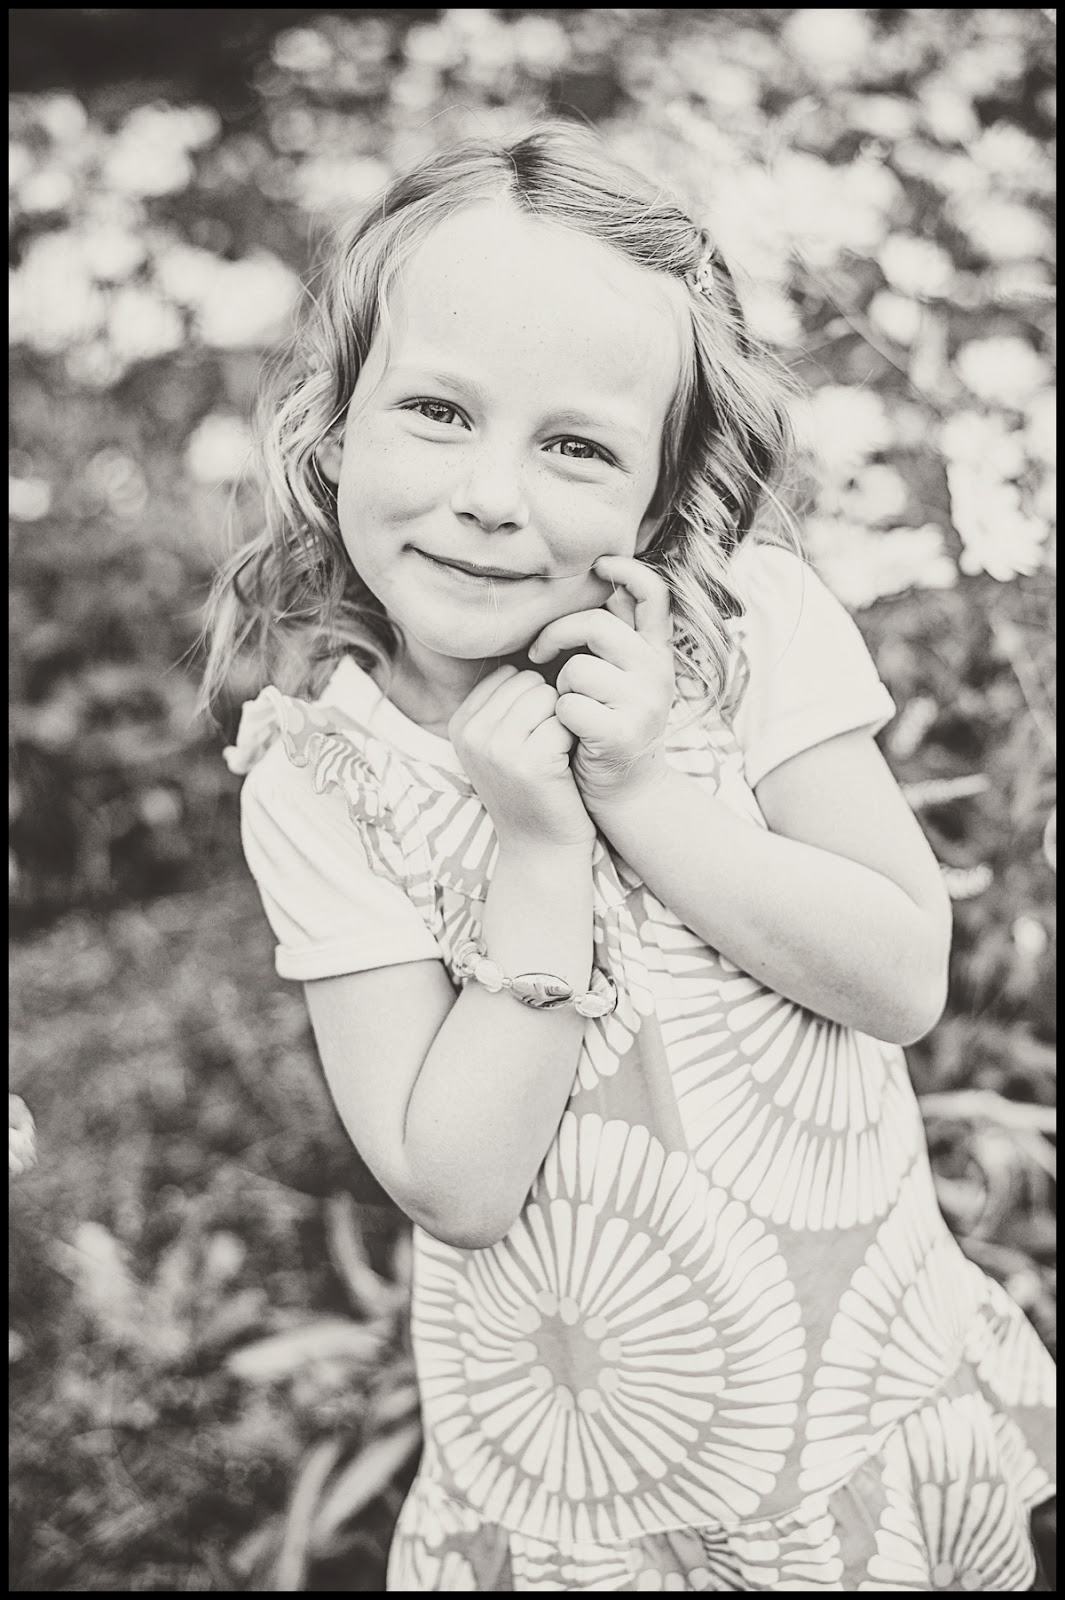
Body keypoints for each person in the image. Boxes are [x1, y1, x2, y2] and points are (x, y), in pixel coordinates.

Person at [202, 122, 1055, 1592]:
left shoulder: (745, 636)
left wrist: (644, 794)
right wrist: (538, 855)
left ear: (656, 500)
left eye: (577, 447)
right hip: (581, 1493)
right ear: (332, 427)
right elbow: (455, 1185)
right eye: (438, 412)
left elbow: (903, 975)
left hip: (849, 1411)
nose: (493, 493)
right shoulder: (323, 780)